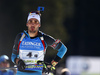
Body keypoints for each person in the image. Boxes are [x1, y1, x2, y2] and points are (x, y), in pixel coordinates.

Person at [11, 10, 67, 75]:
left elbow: (63, 49)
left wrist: (52, 64)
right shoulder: (20, 37)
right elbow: (13, 56)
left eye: (36, 22)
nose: (33, 24)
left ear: (39, 24)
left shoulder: (45, 39)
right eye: (30, 21)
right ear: (27, 23)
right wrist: (18, 62)